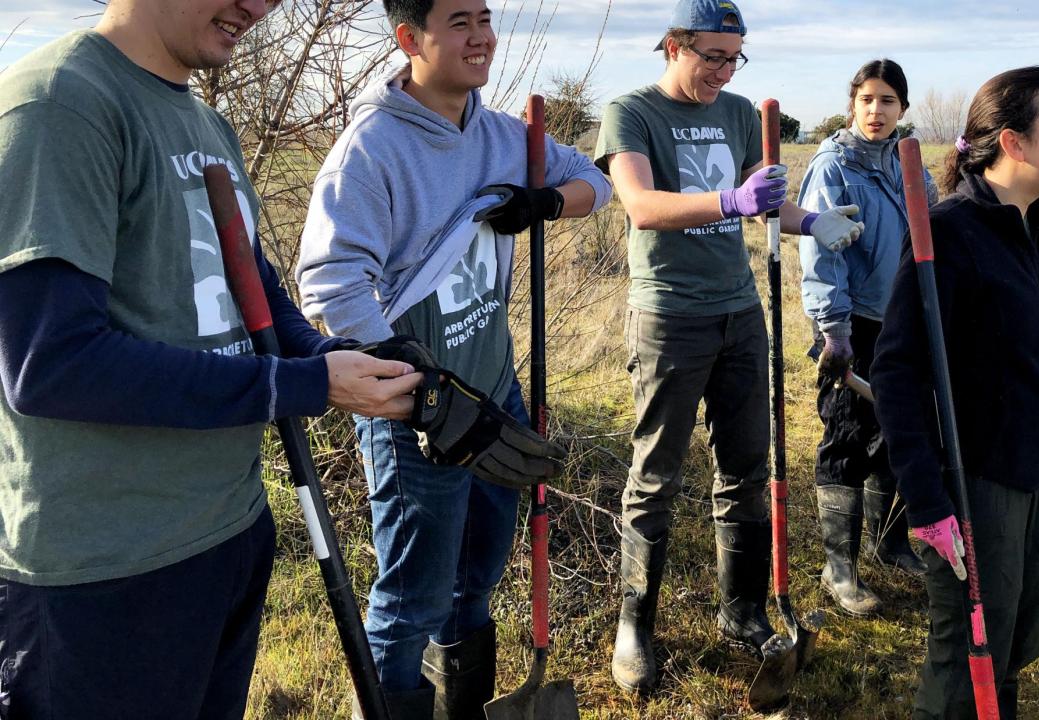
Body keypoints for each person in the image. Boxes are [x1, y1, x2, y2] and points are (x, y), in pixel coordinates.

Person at [0, 1, 424, 717]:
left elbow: (256, 292)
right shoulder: (59, 103)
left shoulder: (206, 124)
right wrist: (303, 383)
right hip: (106, 572)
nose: (257, 7)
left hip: (227, 533)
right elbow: (49, 364)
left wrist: (330, 354)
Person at [294, 0, 611, 714]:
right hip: (417, 412)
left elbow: (600, 181)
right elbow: (330, 283)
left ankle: (458, 705)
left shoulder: (504, 137)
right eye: (460, 22)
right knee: (412, 597)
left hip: (497, 391)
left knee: (476, 576)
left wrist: (545, 204)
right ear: (410, 38)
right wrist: (414, 390)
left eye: (485, 18)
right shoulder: (371, 148)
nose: (482, 38)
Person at [593, 0, 865, 693]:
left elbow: (764, 200)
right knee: (656, 475)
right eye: (710, 55)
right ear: (672, 45)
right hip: (668, 317)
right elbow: (642, 206)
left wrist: (813, 220)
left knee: (746, 465)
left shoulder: (741, 112)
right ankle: (635, 627)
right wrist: (729, 203)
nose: (722, 70)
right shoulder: (632, 112)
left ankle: (741, 611)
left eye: (733, 56)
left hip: (740, 315)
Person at [871, 65, 1039, 718]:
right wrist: (927, 501)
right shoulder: (951, 236)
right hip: (975, 484)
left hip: (1036, 476)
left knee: (1019, 643)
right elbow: (897, 373)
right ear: (1015, 142)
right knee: (968, 665)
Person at [796, 58, 934, 618]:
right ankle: (841, 568)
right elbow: (821, 253)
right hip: (854, 325)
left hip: (905, 320)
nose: (876, 112)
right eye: (867, 100)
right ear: (852, 104)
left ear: (903, 108)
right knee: (848, 437)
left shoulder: (910, 163)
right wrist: (834, 329)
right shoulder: (833, 167)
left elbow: (930, 233)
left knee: (899, 433)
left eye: (888, 102)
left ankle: (891, 542)